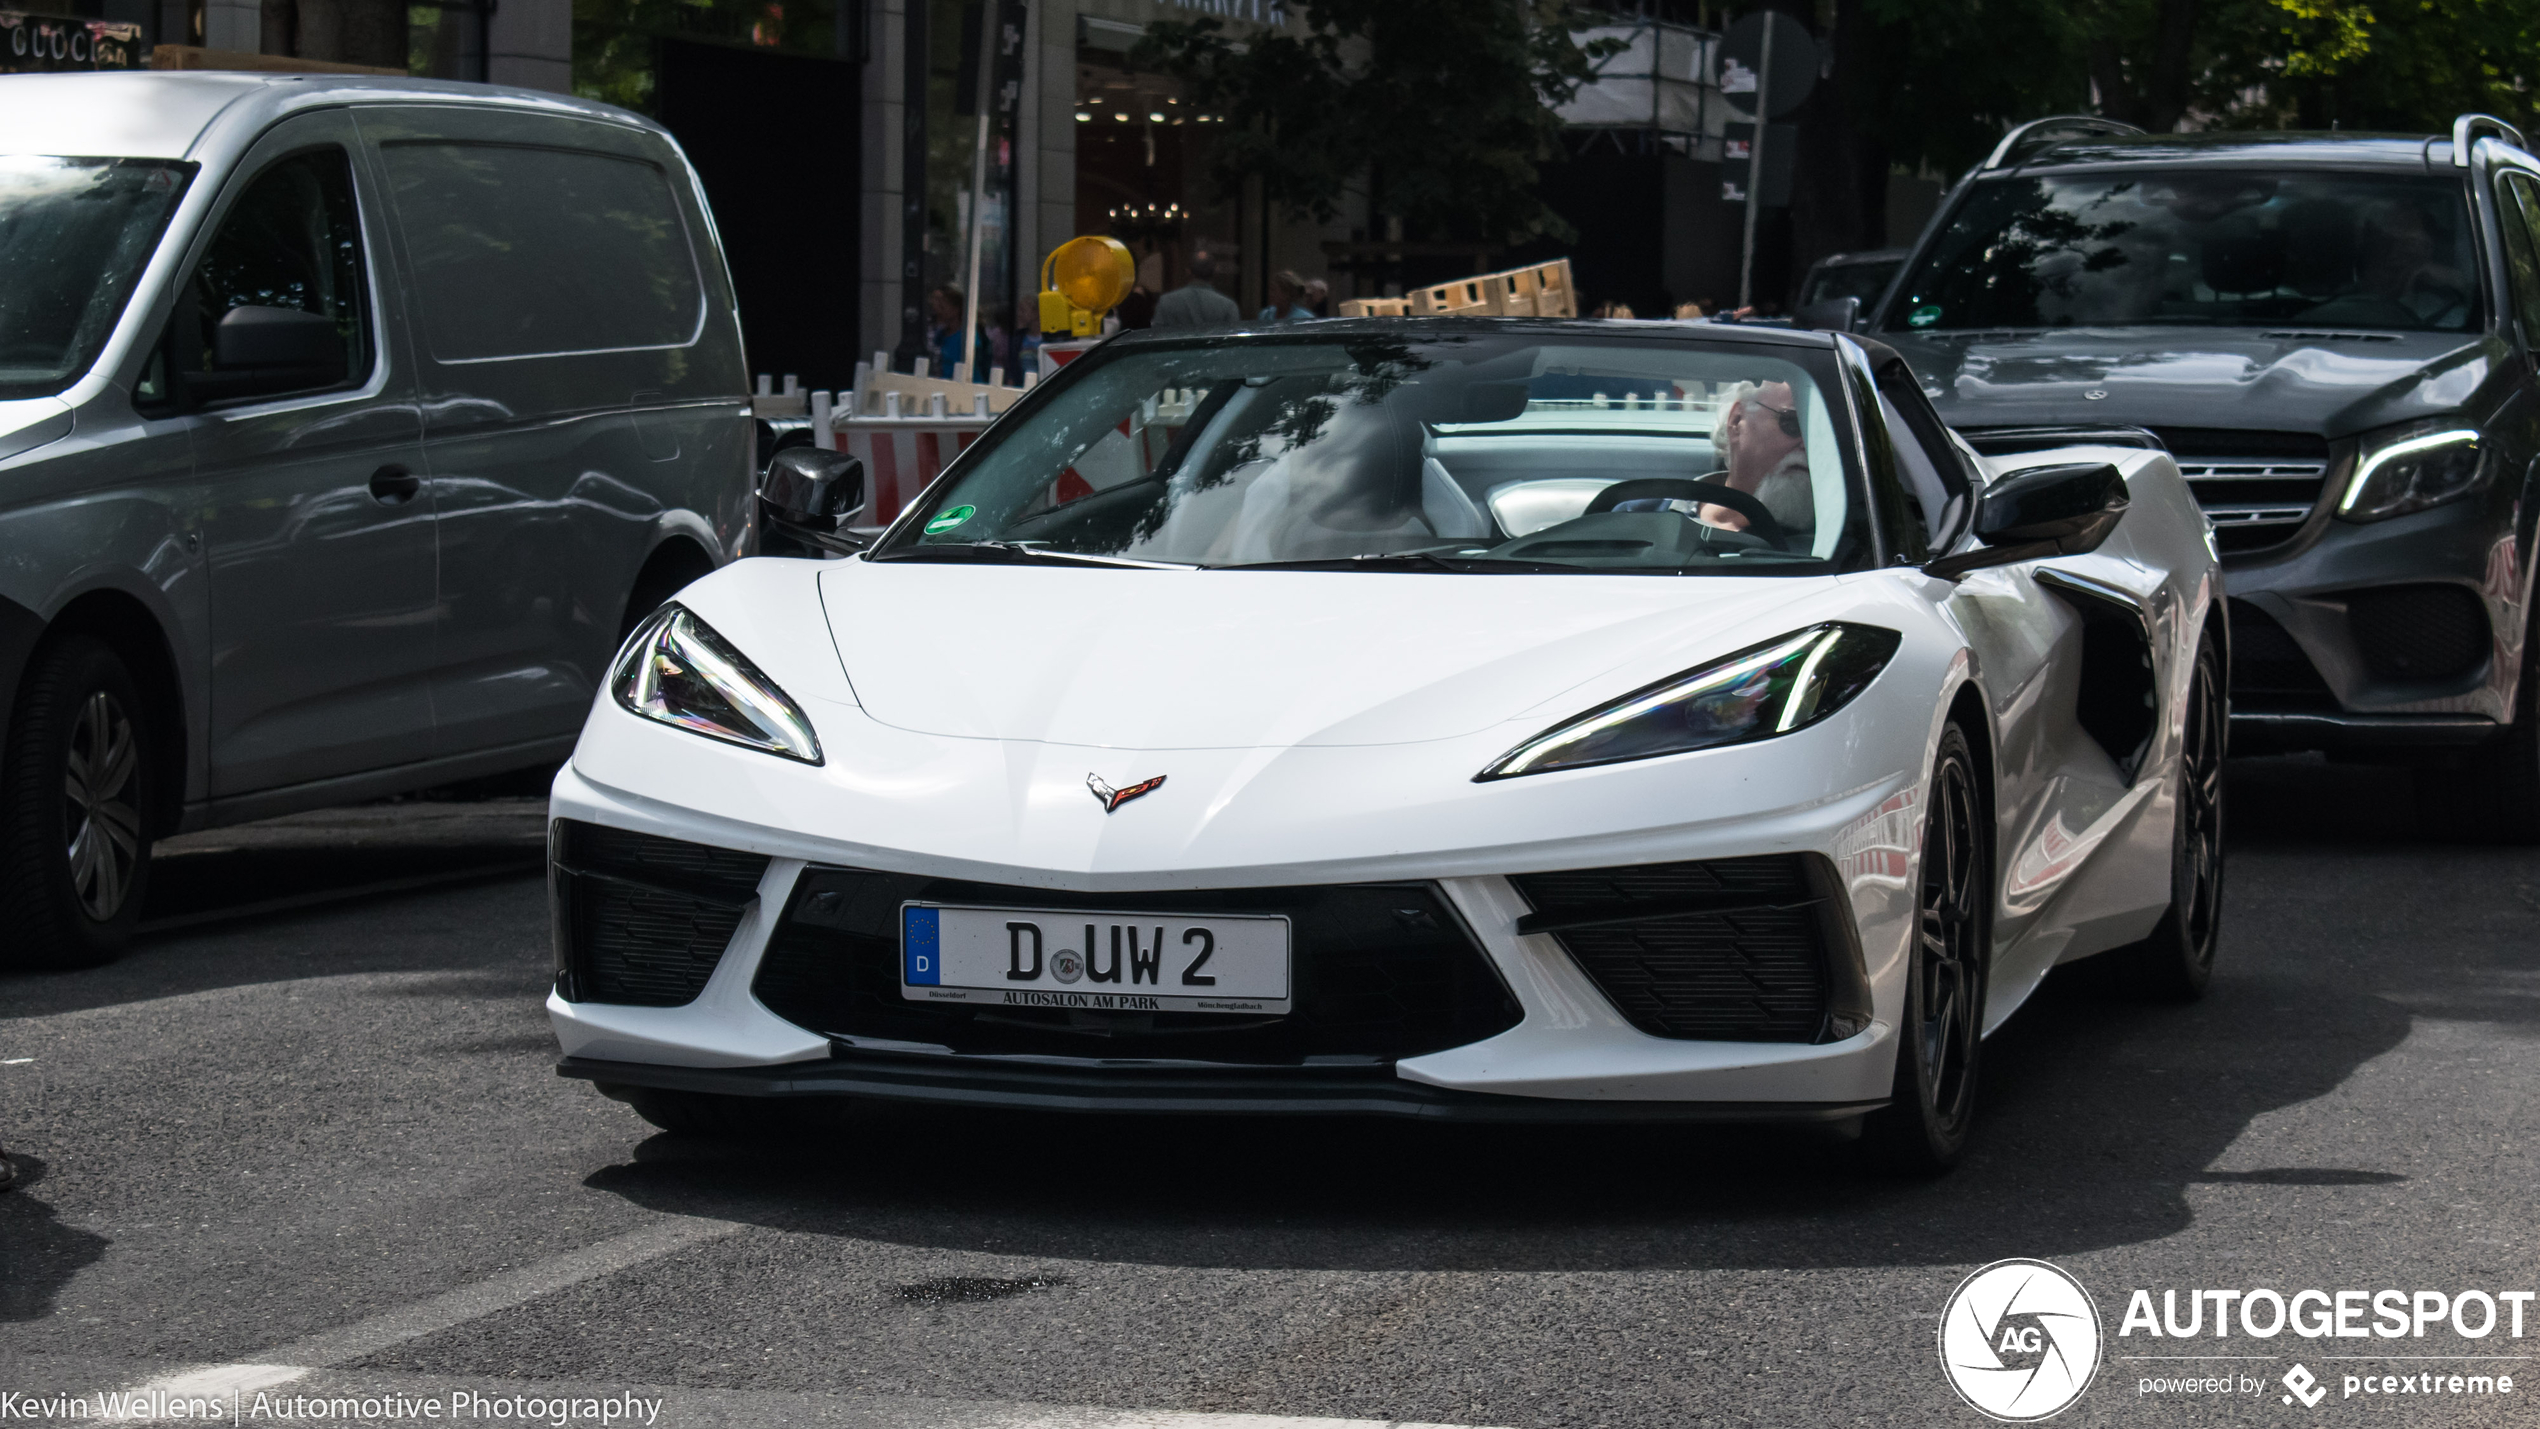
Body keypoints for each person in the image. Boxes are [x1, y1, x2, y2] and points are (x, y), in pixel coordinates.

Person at [1699, 381, 1815, 537]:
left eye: (1821, 432)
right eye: (1793, 422)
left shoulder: (1839, 543)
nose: (1809, 445)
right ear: (1737, 421)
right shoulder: (1660, 508)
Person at [1151, 250, 1242, 329]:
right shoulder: (1228, 306)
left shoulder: (1166, 301)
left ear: (1188, 271)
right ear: (1215, 271)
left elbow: (1157, 334)